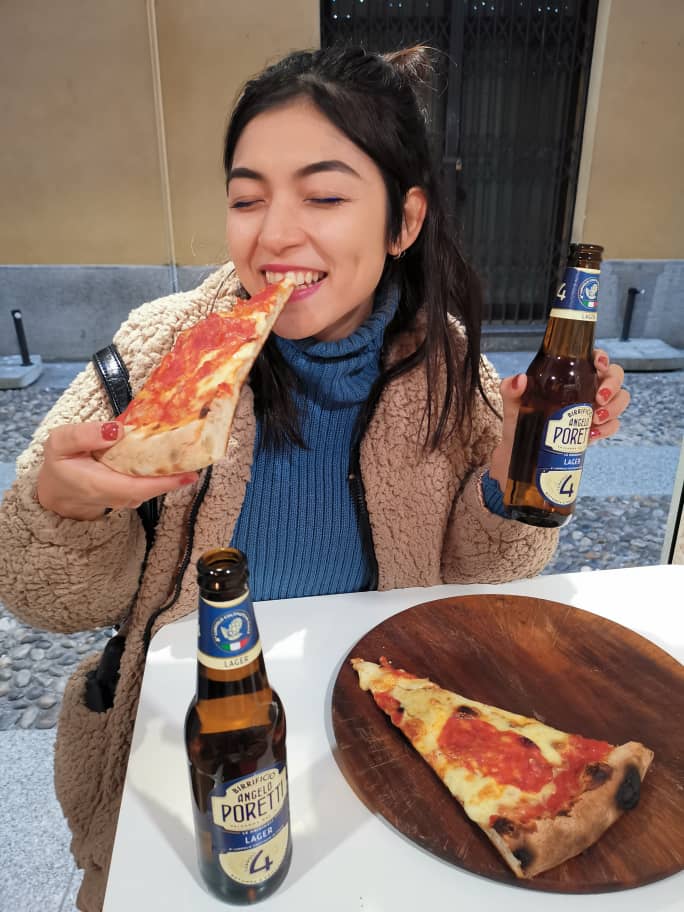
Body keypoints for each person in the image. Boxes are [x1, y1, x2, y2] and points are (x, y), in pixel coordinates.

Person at [0, 45, 629, 911]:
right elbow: (49, 604)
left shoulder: (453, 371)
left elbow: (480, 578)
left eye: (324, 197)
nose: (273, 235)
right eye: (246, 198)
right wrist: (63, 511)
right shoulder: (156, 357)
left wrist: (508, 465)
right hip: (191, 755)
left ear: (404, 222)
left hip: (387, 735)